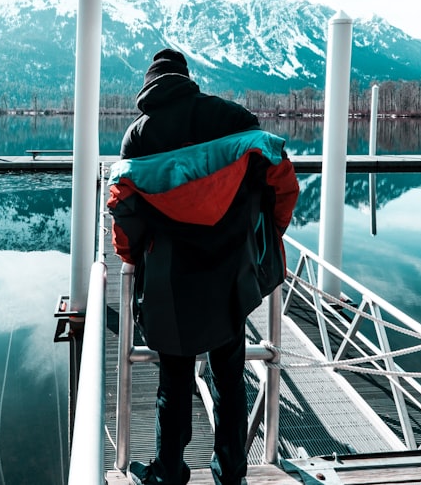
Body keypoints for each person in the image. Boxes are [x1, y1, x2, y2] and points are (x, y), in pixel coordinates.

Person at [107, 48, 299, 485]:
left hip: (170, 280)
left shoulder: (138, 137)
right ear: (186, 77)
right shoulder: (233, 118)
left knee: (173, 384)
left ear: (149, 85)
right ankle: (231, 472)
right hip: (230, 272)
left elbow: (126, 211)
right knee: (229, 380)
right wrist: (265, 238)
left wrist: (131, 259)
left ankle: (169, 473)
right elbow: (275, 184)